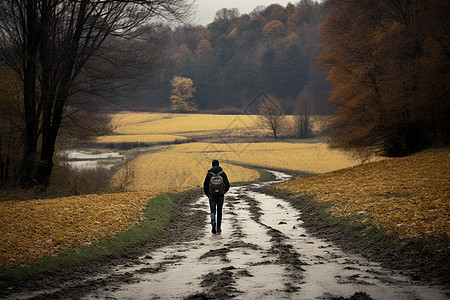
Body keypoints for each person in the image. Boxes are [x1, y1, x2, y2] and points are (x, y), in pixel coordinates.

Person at [203, 159, 230, 234]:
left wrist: (208, 195)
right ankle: (218, 228)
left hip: (212, 195)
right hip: (220, 195)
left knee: (213, 211)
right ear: (218, 164)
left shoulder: (209, 174)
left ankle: (212, 220)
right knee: (219, 211)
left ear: (212, 165)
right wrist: (223, 192)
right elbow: (227, 185)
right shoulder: (222, 173)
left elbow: (205, 185)